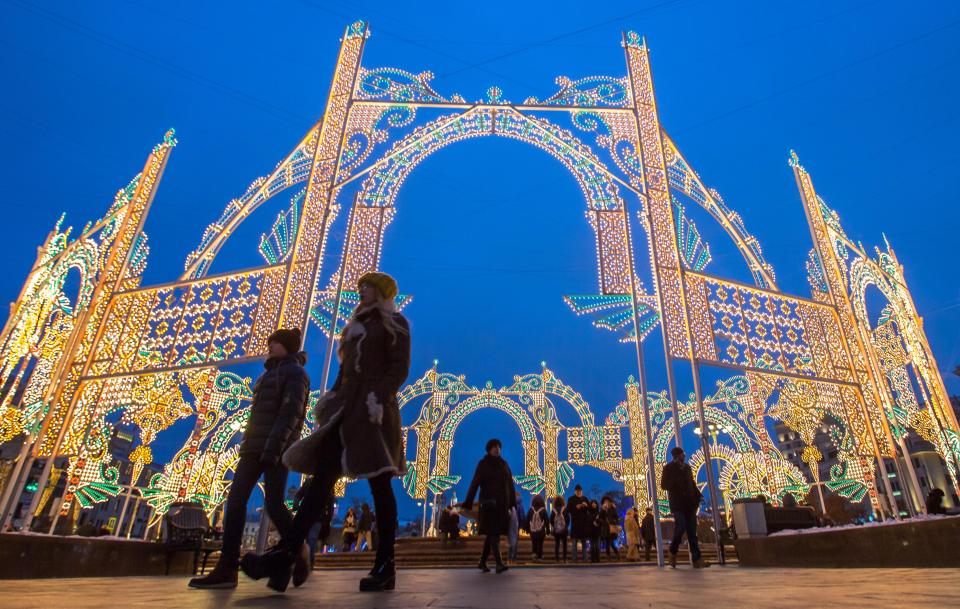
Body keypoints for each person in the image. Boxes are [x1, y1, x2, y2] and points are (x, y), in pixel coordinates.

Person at [240, 272, 411, 593]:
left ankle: (386, 564)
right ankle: (288, 551)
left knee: (379, 482)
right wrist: (330, 400)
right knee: (321, 480)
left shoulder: (395, 324)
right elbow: (344, 372)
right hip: (345, 409)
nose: (361, 292)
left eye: (368, 288)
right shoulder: (353, 327)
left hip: (374, 411)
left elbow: (399, 368)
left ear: (382, 292)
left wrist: (381, 397)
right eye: (361, 288)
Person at [189, 328, 310, 589]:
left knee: (275, 504)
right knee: (235, 502)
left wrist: (275, 446)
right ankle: (227, 565)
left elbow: (291, 413)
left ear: (285, 346)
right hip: (252, 447)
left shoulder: (295, 374)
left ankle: (299, 547)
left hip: (276, 447)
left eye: (274, 342)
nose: (270, 346)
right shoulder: (269, 374)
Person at [462, 438, 516, 574]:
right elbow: (475, 483)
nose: (497, 449)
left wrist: (512, 504)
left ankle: (482, 562)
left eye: (498, 447)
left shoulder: (504, 465)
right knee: (494, 534)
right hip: (489, 504)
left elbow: (510, 485)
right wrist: (468, 502)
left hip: (502, 505)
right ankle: (499, 563)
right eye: (494, 447)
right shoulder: (483, 464)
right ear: (489, 450)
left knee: (493, 534)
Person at [661, 446, 709, 568]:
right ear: (677, 456)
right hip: (677, 504)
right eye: (683, 454)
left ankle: (697, 559)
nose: (684, 456)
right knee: (681, 526)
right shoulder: (668, 468)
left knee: (692, 532)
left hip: (690, 503)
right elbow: (664, 485)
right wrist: (677, 476)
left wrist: (698, 495)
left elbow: (691, 483)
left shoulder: (687, 468)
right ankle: (672, 551)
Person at [567, 485, 590, 561]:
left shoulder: (585, 499)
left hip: (584, 524)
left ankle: (585, 558)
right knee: (574, 542)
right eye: (577, 491)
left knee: (584, 542)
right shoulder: (571, 499)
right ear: (575, 491)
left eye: (580, 491)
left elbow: (589, 509)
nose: (579, 492)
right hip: (575, 523)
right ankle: (574, 558)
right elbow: (568, 510)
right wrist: (576, 507)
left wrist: (586, 506)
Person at [527, 495, 548, 561]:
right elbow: (547, 521)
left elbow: (527, 520)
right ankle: (539, 557)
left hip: (533, 531)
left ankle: (534, 555)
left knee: (534, 543)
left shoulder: (531, 509)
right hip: (541, 531)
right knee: (540, 544)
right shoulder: (543, 510)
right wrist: (548, 530)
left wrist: (527, 530)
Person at [551, 496, 569, 563]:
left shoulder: (554, 510)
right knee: (564, 544)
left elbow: (551, 520)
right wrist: (565, 526)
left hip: (556, 531)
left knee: (557, 544)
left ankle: (557, 559)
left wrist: (555, 527)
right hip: (564, 531)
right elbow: (568, 519)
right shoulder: (565, 509)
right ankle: (564, 559)